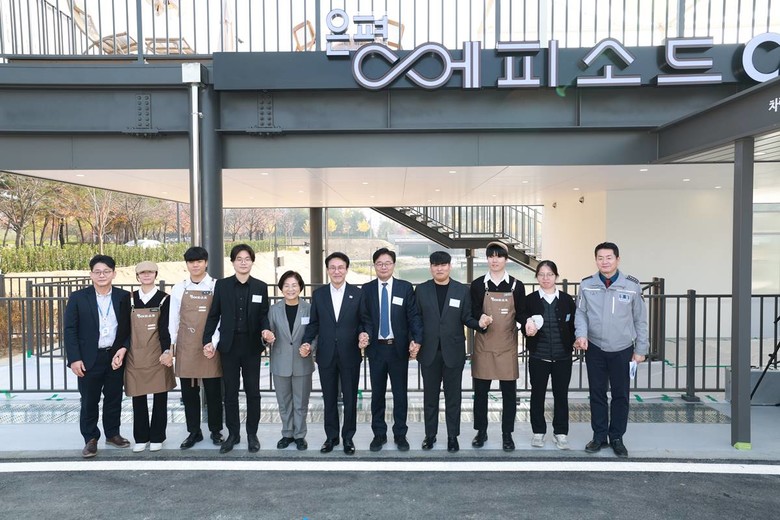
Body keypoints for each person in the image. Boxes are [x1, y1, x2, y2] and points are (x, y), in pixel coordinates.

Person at [575, 242, 648, 458]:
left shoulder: (632, 286)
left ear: (617, 259)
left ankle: (616, 437)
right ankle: (599, 436)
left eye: (609, 257)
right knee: (596, 394)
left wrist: (641, 349)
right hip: (595, 348)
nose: (604, 262)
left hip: (622, 349)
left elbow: (640, 320)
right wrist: (581, 334)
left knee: (620, 395)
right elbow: (581, 313)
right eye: (600, 258)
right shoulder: (587, 285)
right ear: (595, 260)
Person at [204, 244, 270, 454]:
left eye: (247, 259)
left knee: (253, 392)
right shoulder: (222, 285)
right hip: (229, 347)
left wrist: (266, 330)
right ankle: (233, 434)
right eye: (239, 259)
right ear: (232, 262)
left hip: (251, 347)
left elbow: (264, 315)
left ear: (252, 262)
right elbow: (214, 314)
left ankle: (252, 434)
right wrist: (207, 340)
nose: (243, 262)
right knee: (230, 393)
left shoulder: (260, 287)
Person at [302, 252, 370, 455]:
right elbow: (314, 323)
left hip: (350, 353)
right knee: (329, 398)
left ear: (347, 269)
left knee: (350, 399)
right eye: (332, 267)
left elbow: (364, 321)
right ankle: (331, 437)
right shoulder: (319, 295)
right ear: (327, 270)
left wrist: (364, 334)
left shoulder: (358, 294)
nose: (337, 271)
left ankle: (348, 437)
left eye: (341, 267)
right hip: (326, 354)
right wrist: (307, 342)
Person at [414, 251, 482, 452]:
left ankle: (453, 436)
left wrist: (480, 324)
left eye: (443, 265)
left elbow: (467, 317)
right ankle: (430, 435)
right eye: (435, 265)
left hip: (453, 352)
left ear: (450, 266)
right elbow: (416, 318)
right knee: (430, 397)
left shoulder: (461, 290)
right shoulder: (422, 290)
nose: (439, 268)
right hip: (429, 352)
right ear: (430, 267)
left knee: (453, 397)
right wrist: (415, 340)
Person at [64, 254, 131, 458]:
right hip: (88, 358)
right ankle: (90, 438)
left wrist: (124, 348)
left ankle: (112, 434)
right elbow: (70, 329)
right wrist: (74, 359)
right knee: (89, 400)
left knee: (114, 398)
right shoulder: (78, 297)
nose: (102, 275)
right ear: (91, 274)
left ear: (114, 274)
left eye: (106, 271)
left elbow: (129, 328)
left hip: (114, 356)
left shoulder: (123, 296)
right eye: (97, 272)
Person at [361, 248, 423, 452]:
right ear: (374, 266)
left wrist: (416, 340)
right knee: (377, 394)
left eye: (387, 263)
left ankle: (400, 434)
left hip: (398, 349)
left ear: (394, 265)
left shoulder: (404, 288)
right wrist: (364, 333)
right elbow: (364, 317)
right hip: (376, 349)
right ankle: (379, 434)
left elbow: (413, 316)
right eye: (379, 263)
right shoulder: (367, 289)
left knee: (400, 394)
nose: (384, 267)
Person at [470, 241, 526, 452]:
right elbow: (472, 311)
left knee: (509, 394)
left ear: (506, 259)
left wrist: (527, 323)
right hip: (484, 346)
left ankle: (507, 434)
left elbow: (521, 313)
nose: (495, 260)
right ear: (487, 259)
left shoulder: (516, 285)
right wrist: (480, 319)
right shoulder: (478, 285)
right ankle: (481, 431)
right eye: (491, 256)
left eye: (499, 256)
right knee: (481, 393)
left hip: (507, 347)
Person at [168, 246, 224, 450]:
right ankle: (194, 431)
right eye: (191, 262)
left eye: (199, 261)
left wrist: (213, 342)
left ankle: (216, 430)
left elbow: (221, 317)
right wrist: (172, 346)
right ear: (187, 264)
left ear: (206, 263)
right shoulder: (179, 288)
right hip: (186, 346)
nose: (195, 265)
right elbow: (173, 319)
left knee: (213, 392)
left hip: (210, 346)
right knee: (189, 393)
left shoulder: (217, 286)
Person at [519, 260, 575, 450]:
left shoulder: (567, 300)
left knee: (561, 395)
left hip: (562, 357)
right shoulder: (530, 299)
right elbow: (522, 320)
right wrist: (527, 327)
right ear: (536, 277)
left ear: (556, 276)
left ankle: (561, 433)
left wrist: (576, 341)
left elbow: (573, 325)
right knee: (537, 394)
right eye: (541, 274)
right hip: (538, 356)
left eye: (550, 274)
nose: (545, 278)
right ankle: (538, 432)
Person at [124, 261, 176, 453]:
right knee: (138, 396)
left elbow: (167, 328)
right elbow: (124, 328)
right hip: (134, 355)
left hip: (158, 354)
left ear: (155, 274)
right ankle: (140, 437)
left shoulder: (165, 299)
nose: (146, 275)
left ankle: (157, 437)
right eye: (142, 273)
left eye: (150, 272)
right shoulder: (129, 299)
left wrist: (167, 351)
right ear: (137, 276)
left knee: (160, 396)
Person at [264, 271, 315, 451]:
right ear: (281, 288)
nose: (290, 289)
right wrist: (266, 337)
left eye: (294, 285)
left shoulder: (309, 308)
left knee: (301, 403)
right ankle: (287, 434)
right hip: (280, 362)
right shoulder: (274, 309)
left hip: (303, 361)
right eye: (286, 285)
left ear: (300, 287)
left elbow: (315, 333)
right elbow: (267, 333)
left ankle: (300, 435)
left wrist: (310, 347)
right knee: (284, 402)